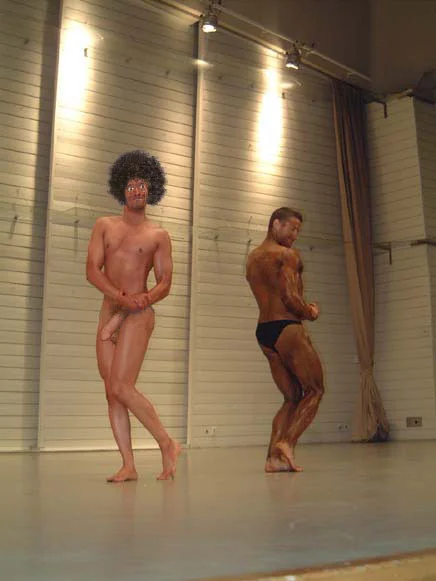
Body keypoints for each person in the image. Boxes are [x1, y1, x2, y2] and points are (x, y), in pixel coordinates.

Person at [86, 150, 181, 483]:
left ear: (151, 189)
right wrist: (119, 298)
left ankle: (167, 443)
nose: (137, 190)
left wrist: (143, 299)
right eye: (131, 185)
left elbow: (165, 281)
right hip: (111, 310)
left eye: (142, 185)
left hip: (139, 314)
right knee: (111, 391)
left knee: (122, 387)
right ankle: (128, 464)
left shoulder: (158, 235)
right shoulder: (104, 226)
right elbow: (92, 270)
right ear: (121, 190)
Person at [246, 207, 325, 472]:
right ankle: (287, 443)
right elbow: (290, 298)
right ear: (275, 224)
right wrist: (309, 312)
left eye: (298, 230)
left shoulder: (252, 258)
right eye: (292, 228)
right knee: (315, 390)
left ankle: (273, 460)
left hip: (264, 332)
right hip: (287, 327)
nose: (295, 235)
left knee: (292, 397)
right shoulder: (287, 255)